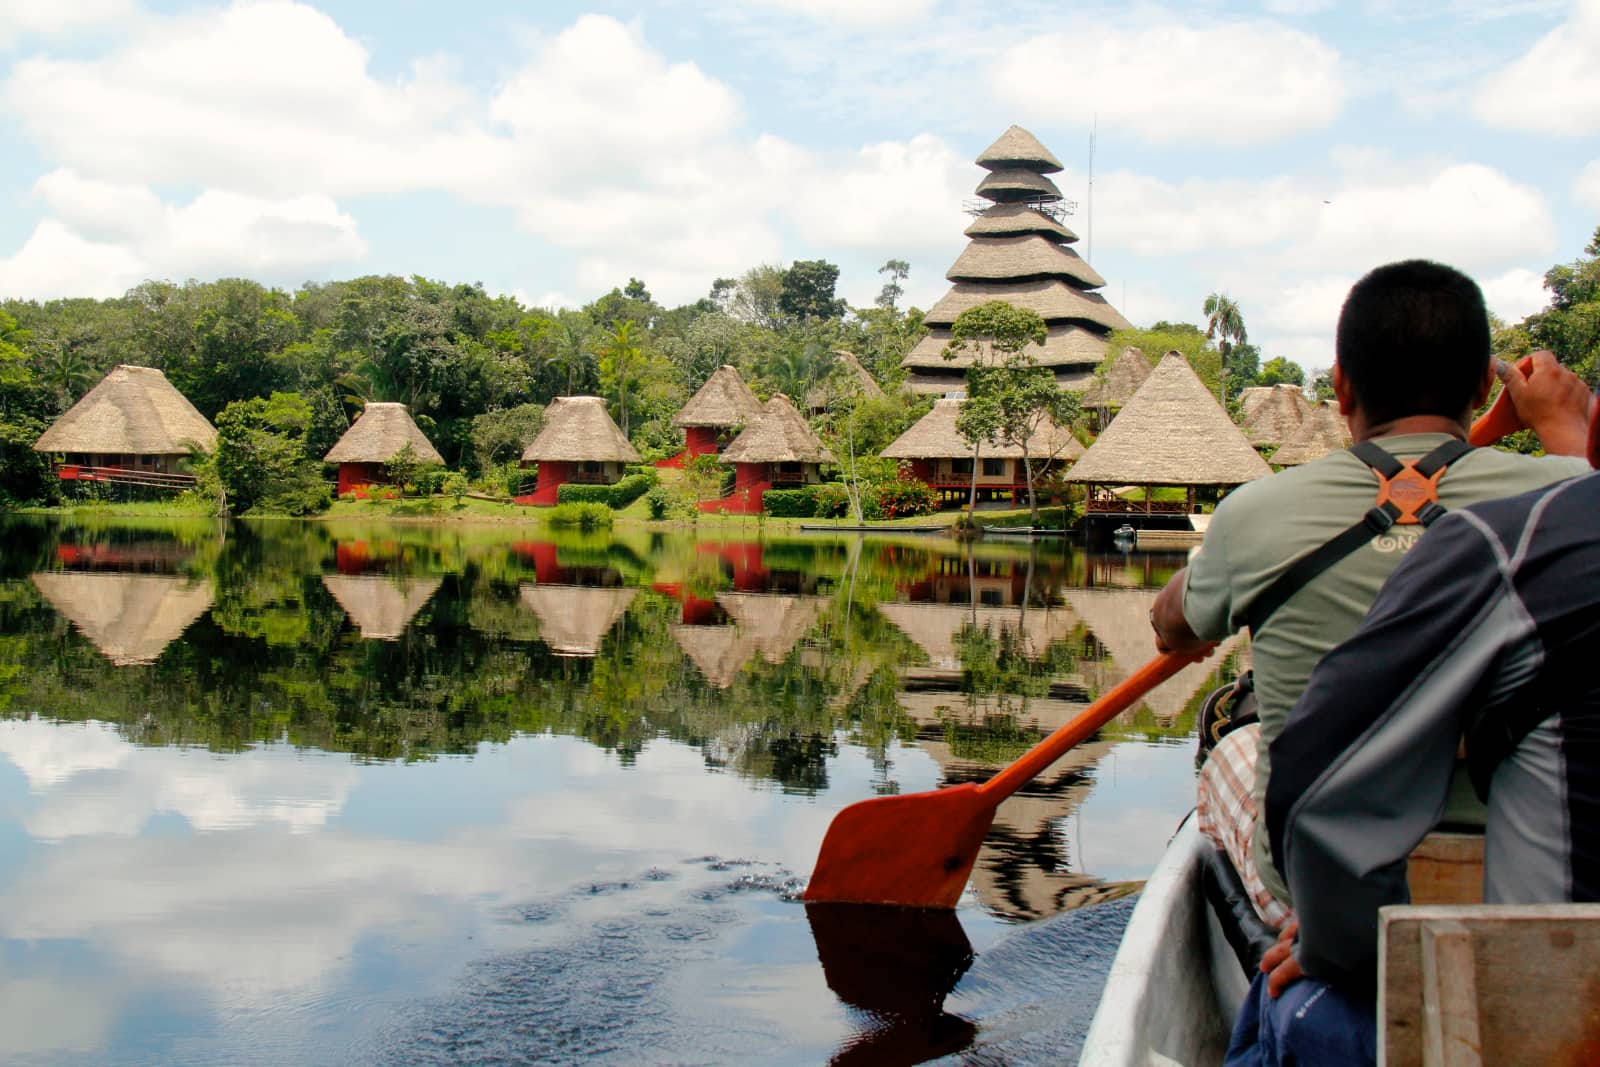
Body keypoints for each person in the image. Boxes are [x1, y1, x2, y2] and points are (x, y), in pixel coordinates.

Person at [1151, 259, 1592, 929]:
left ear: (1341, 386)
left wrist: (1226, 576)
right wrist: (1560, 425)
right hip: (1533, 863)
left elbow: (1171, 629)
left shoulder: (1255, 513)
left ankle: (1239, 937)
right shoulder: (1563, 497)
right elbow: (1582, 498)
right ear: (1481, 383)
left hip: (1321, 883)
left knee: (1230, 735)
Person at [1224, 387, 1600, 1067]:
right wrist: (1569, 442)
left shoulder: (1519, 544)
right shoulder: (1553, 507)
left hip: (1541, 1023)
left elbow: (1324, 782)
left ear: (1342, 389)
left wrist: (1342, 950)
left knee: (1286, 1001)